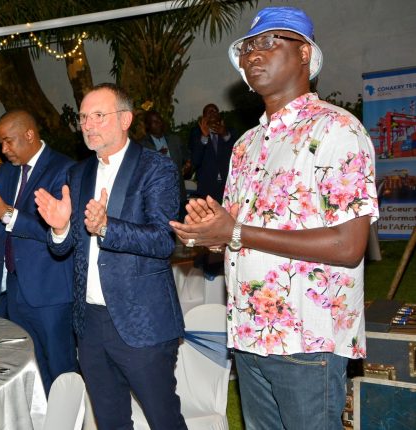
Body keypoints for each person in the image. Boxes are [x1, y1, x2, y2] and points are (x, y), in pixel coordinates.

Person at [170, 7, 379, 429]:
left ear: (304, 54)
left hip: (307, 341)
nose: (253, 55)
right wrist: (209, 235)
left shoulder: (337, 130)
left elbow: (348, 245)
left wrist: (236, 231)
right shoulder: (246, 145)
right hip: (249, 335)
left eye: (269, 42)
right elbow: (237, 236)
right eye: (248, 48)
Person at [35, 83, 186, 429]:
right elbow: (65, 248)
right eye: (83, 117)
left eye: (99, 116)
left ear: (125, 119)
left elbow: (162, 241)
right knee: (110, 422)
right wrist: (60, 228)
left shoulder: (155, 168)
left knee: (164, 420)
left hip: (142, 322)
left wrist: (106, 227)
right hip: (90, 324)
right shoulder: (78, 173)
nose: (88, 125)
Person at [0, 110, 77, 395]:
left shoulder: (64, 169)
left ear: (29, 134)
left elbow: (58, 231)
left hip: (50, 291)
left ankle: (72, 416)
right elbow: (3, 225)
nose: (3, 150)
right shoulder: (7, 171)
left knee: (62, 370)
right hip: (15, 288)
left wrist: (6, 212)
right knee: (32, 368)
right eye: (0, 142)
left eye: (8, 141)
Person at [137, 110, 187, 218]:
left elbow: (187, 158)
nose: (159, 123)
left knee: (182, 226)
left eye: (159, 120)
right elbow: (140, 171)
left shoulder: (175, 140)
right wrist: (156, 156)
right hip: (157, 199)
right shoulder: (141, 146)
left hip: (179, 196)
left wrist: (187, 165)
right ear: (148, 126)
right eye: (154, 122)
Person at [189, 103, 237, 202]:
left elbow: (237, 154)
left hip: (228, 184)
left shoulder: (229, 131)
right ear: (204, 117)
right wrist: (204, 137)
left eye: (215, 111)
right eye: (209, 112)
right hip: (207, 187)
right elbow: (195, 160)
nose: (213, 113)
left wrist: (225, 135)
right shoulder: (196, 133)